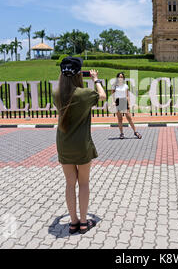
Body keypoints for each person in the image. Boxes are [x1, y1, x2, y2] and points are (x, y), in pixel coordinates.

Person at [52, 56, 107, 234]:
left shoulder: (56, 93)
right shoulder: (84, 95)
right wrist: (95, 79)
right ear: (78, 74)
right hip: (82, 144)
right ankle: (84, 223)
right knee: (83, 183)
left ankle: (73, 222)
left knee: (70, 184)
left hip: (64, 143)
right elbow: (103, 96)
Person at [111, 72, 142, 139]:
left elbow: (127, 96)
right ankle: (121, 133)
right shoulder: (114, 86)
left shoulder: (125, 86)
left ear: (123, 78)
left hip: (124, 101)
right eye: (119, 77)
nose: (120, 78)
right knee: (120, 119)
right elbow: (113, 95)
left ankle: (135, 132)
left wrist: (129, 104)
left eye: (122, 77)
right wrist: (113, 102)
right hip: (118, 102)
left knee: (129, 118)